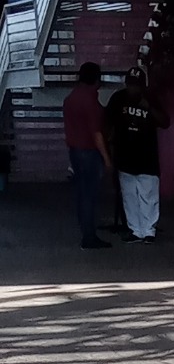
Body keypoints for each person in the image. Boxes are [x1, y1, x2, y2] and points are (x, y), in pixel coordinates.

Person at [106, 66, 169, 243]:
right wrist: (110, 149)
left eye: (137, 85)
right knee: (129, 196)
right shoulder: (118, 99)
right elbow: (108, 123)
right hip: (125, 156)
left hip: (147, 156)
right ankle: (135, 230)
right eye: (131, 85)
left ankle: (149, 231)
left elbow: (165, 122)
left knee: (148, 195)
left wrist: (149, 108)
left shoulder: (151, 99)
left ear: (143, 86)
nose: (133, 89)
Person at [63, 61, 113, 250]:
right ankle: (89, 237)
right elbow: (97, 134)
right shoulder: (89, 101)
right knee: (89, 196)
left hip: (75, 152)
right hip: (89, 153)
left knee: (82, 195)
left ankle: (86, 232)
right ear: (96, 79)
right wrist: (107, 159)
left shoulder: (71, 98)